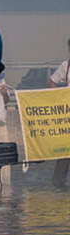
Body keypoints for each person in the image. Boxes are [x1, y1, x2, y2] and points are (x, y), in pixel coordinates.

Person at [48, 38, 70, 189]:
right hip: (68, 114)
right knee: (66, 148)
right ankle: (58, 183)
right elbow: (51, 82)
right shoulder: (66, 65)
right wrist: (58, 98)